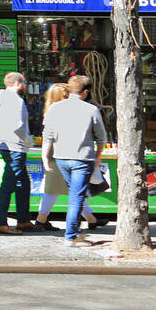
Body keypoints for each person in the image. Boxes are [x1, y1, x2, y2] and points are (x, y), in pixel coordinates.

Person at [41, 74, 108, 247]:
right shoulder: (91, 110)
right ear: (85, 92)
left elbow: (47, 135)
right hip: (82, 159)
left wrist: (44, 156)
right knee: (76, 197)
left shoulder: (55, 108)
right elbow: (101, 138)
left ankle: (76, 231)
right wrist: (98, 157)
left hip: (62, 159)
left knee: (75, 195)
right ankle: (71, 236)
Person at [0, 71, 37, 234]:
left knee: (23, 183)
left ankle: (24, 220)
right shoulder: (17, 101)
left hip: (4, 145)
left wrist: (2, 133)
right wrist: (29, 142)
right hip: (16, 147)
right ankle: (0, 223)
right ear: (18, 83)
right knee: (8, 185)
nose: (26, 85)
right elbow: (18, 127)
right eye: (25, 82)